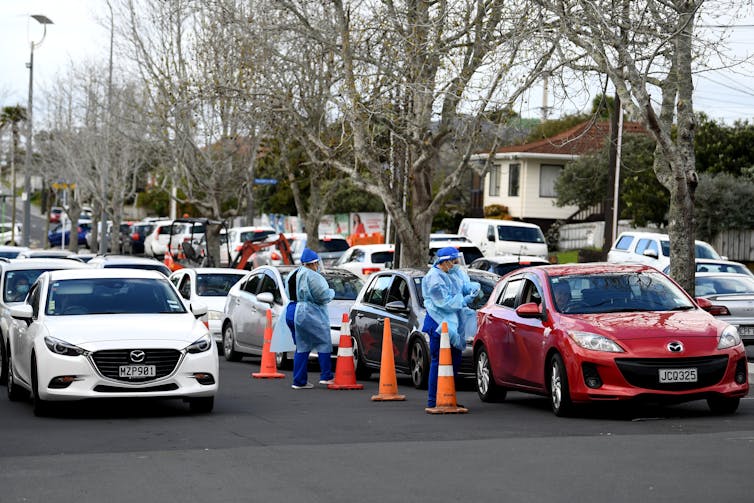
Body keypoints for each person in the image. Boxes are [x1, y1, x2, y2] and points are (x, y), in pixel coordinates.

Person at [421, 247, 480, 408]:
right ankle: (434, 400)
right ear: (445, 261)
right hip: (438, 322)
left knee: (454, 360)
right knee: (438, 361)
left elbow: (463, 285)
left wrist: (472, 288)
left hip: (453, 323)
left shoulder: (453, 273)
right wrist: (465, 299)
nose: (455, 264)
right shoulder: (433, 279)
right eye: (453, 261)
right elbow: (444, 303)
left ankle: (448, 396)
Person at [284, 248, 335, 389]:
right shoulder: (312, 276)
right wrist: (332, 292)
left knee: (302, 346)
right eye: (316, 263)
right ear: (313, 263)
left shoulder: (293, 273)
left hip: (292, 309)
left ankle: (299, 381)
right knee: (323, 341)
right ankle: (326, 376)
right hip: (309, 312)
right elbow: (322, 295)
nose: (318, 266)